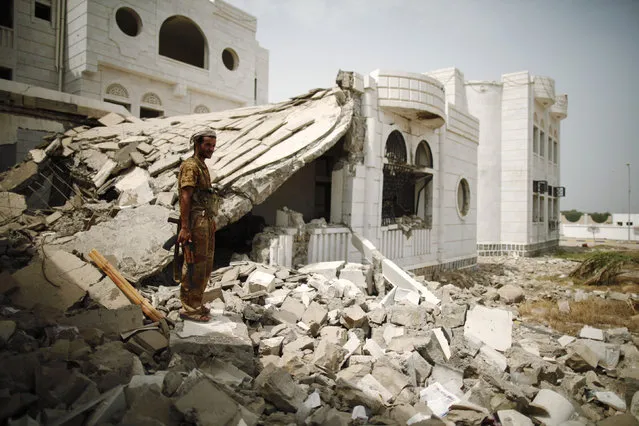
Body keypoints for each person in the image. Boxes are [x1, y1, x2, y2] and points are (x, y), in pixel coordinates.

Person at [177, 128, 219, 322]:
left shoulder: (202, 165)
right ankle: (188, 308)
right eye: (207, 145)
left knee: (205, 265)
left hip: (206, 220)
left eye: (213, 145)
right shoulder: (191, 165)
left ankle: (196, 302)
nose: (211, 149)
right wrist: (185, 227)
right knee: (194, 263)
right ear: (197, 144)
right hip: (196, 221)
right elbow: (185, 196)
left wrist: (211, 221)